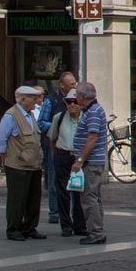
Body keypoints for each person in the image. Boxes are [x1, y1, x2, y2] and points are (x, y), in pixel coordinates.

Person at [0, 84, 47, 242]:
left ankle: (29, 227)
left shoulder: (31, 114)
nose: (36, 101)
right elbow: (1, 139)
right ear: (23, 100)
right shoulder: (11, 116)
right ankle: (13, 228)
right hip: (17, 164)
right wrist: (4, 159)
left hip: (34, 164)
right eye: (33, 98)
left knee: (33, 199)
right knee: (17, 199)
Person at [68, 81, 110, 244]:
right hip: (94, 161)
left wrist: (80, 160)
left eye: (77, 94)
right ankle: (96, 229)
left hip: (91, 162)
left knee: (89, 197)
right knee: (94, 196)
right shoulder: (92, 110)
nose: (75, 97)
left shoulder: (93, 112)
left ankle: (96, 232)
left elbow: (92, 138)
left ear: (83, 96)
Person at [37, 71, 77, 233]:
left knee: (75, 184)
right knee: (55, 181)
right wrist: (57, 127)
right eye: (71, 83)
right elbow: (41, 123)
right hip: (54, 145)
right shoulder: (51, 100)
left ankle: (73, 214)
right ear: (62, 85)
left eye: (75, 83)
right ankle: (55, 212)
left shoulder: (78, 100)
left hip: (72, 150)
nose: (74, 86)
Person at [50, 84, 83, 236]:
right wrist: (54, 156)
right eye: (69, 102)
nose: (72, 105)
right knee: (62, 192)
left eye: (75, 102)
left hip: (79, 158)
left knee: (79, 192)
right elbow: (52, 138)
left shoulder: (85, 118)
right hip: (62, 156)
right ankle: (66, 225)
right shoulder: (59, 117)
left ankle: (80, 225)